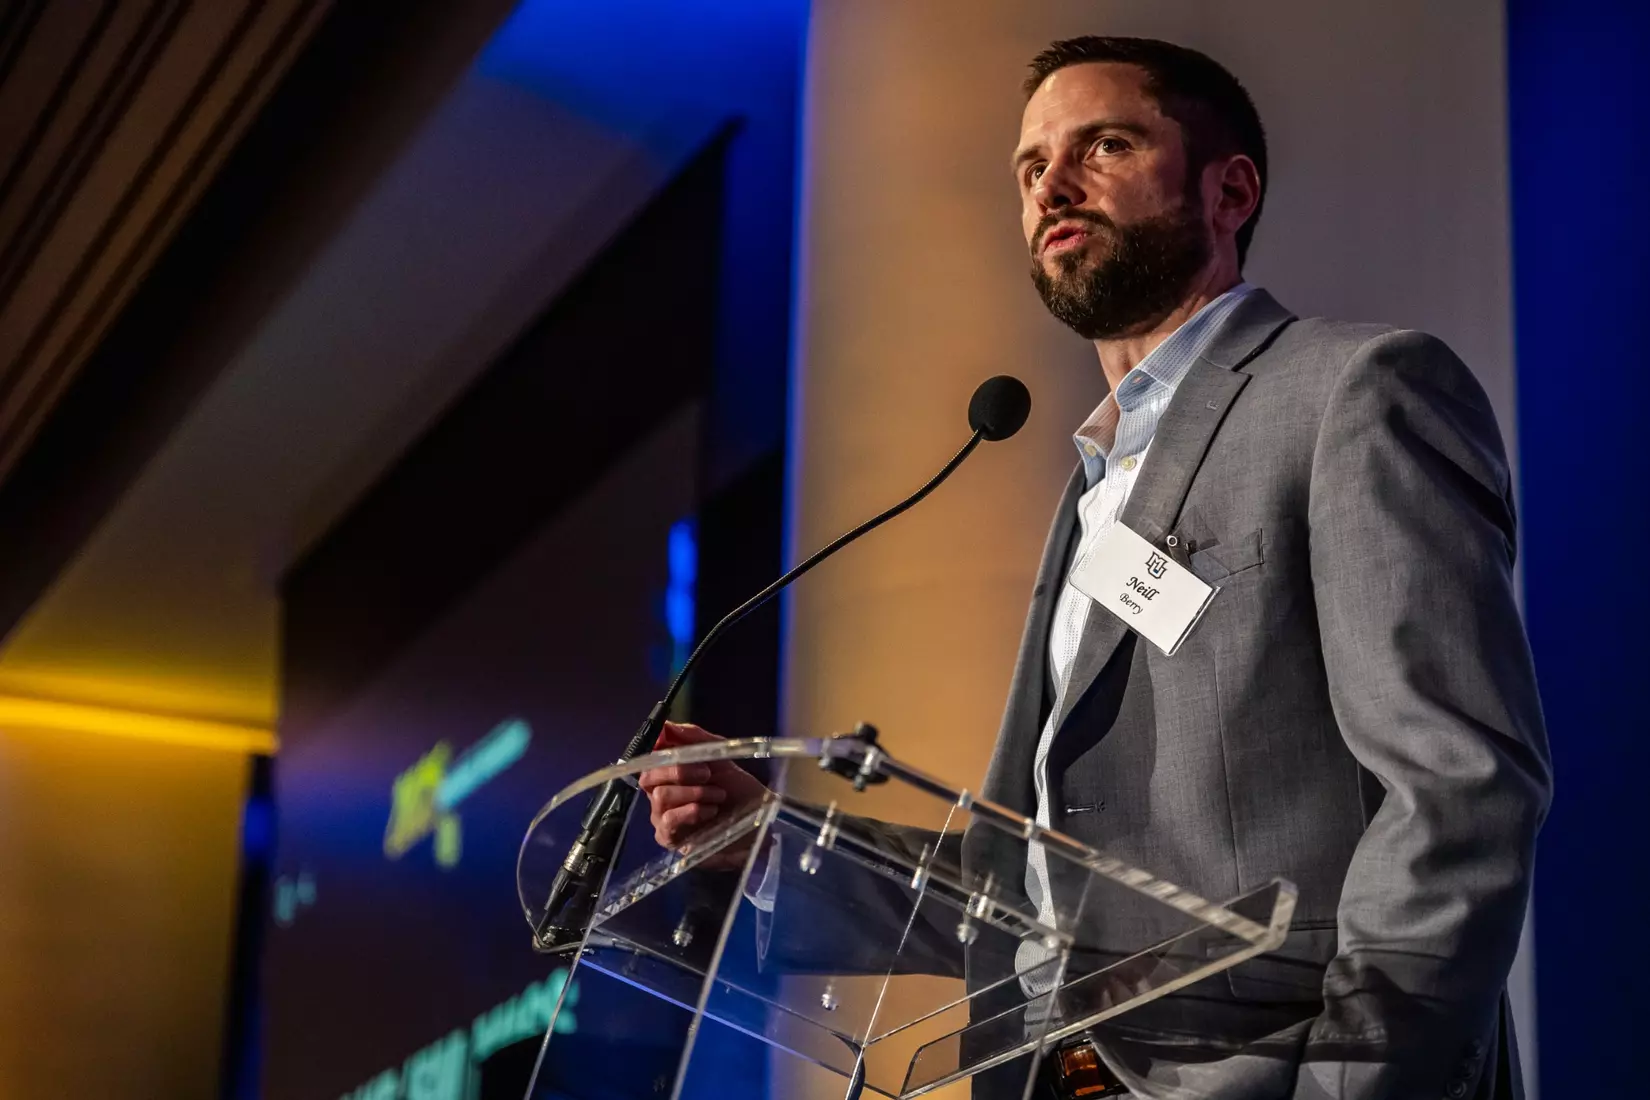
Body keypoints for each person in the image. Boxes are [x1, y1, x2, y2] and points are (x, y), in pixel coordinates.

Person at [640, 35, 1550, 1100]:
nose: (1053, 188)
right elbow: (1027, 896)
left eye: (1104, 145)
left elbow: (1460, 792)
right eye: (1030, 168)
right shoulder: (1092, 493)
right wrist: (768, 845)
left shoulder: (1352, 392)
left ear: (1230, 188)